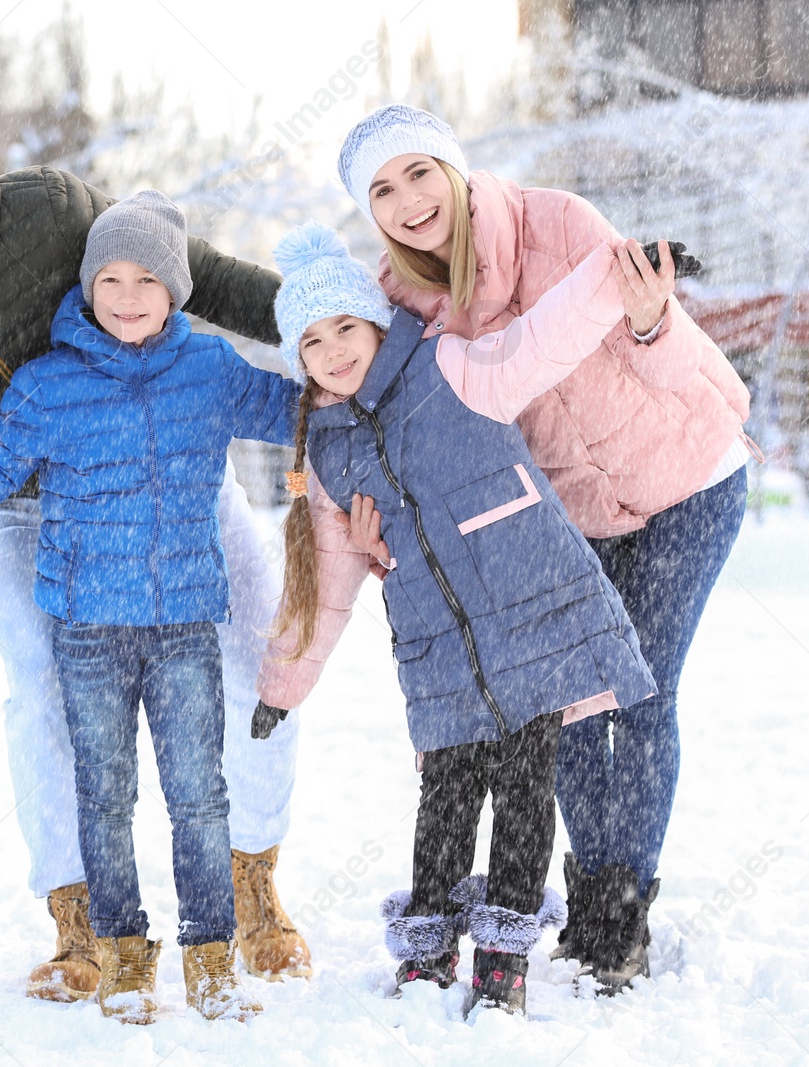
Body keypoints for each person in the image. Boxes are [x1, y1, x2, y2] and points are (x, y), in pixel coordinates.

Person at [0, 106, 312, 1003]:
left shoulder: (44, 212)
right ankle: (79, 923)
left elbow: (196, 275)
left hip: (168, 470)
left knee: (262, 643)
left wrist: (326, 328)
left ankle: (252, 881)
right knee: (40, 685)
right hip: (22, 501)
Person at [335, 104, 757, 993]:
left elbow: (664, 351)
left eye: (418, 173)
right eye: (382, 188)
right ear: (368, 210)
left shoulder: (556, 223)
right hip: (564, 519)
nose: (408, 200)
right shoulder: (401, 305)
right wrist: (377, 520)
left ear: (452, 169)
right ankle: (597, 884)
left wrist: (650, 322)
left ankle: (617, 912)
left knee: (643, 689)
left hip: (687, 480)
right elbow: (404, 423)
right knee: (561, 709)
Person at [251, 223, 659, 1017]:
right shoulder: (329, 451)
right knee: (444, 798)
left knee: (524, 789)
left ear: (375, 323)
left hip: (531, 616)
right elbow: (328, 583)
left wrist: (622, 274)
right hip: (438, 652)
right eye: (311, 340)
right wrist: (284, 683)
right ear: (297, 358)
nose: (334, 350)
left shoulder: (450, 366)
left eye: (344, 327)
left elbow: (544, 339)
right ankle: (428, 951)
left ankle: (503, 954)